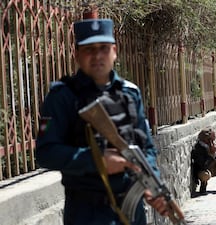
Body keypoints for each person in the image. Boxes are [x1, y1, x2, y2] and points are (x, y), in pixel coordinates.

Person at [36, 17, 168, 225]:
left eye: (104, 48)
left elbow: (147, 148)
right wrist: (97, 161)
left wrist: (150, 183)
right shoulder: (63, 96)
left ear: (115, 51)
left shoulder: (130, 93)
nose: (97, 55)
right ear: (77, 54)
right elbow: (46, 153)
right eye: (89, 49)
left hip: (132, 213)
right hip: (87, 213)